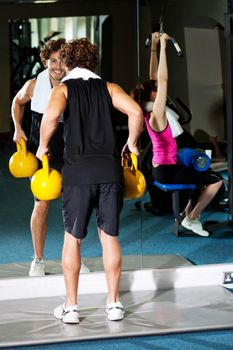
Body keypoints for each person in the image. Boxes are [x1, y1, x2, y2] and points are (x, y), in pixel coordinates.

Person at [36, 38, 143, 323]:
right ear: (92, 61)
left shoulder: (63, 89)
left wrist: (42, 145)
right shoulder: (110, 88)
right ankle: (114, 304)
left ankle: (71, 307)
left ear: (68, 62)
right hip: (109, 172)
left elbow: (51, 117)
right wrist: (132, 143)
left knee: (73, 238)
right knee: (109, 237)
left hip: (78, 174)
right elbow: (136, 112)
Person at [11, 38, 89, 276]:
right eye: (52, 60)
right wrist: (17, 127)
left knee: (74, 205)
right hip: (41, 150)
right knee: (41, 204)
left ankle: (76, 257)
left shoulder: (76, 84)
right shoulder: (34, 85)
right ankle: (38, 258)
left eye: (62, 59)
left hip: (70, 150)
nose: (57, 65)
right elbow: (17, 102)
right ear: (45, 60)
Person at [143, 32, 223, 237]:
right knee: (215, 180)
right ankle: (192, 217)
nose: (158, 89)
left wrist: (153, 45)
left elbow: (154, 78)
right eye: (156, 90)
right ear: (153, 94)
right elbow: (162, 79)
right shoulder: (156, 114)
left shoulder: (149, 108)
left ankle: (188, 215)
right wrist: (163, 46)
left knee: (201, 173)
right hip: (167, 168)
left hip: (169, 161)